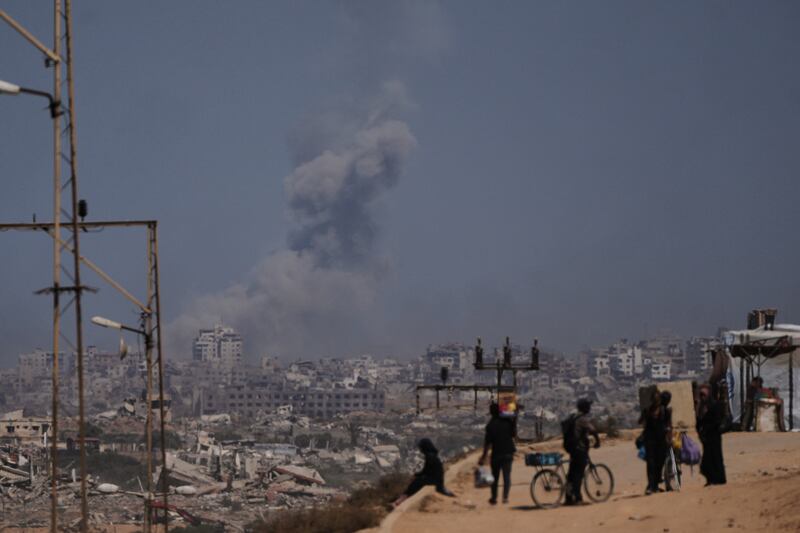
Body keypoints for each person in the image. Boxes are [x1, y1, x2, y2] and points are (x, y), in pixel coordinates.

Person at [393, 438, 454, 507]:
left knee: (416, 483)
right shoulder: (432, 455)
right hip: (438, 479)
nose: (420, 449)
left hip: (435, 479)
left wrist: (416, 475)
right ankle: (401, 499)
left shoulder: (430, 457)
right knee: (416, 483)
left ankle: (399, 501)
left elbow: (426, 471)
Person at [564, 398, 600, 505]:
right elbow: (593, 431)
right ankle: (578, 498)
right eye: (588, 406)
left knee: (571, 474)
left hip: (571, 448)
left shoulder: (573, 417)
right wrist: (597, 441)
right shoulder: (583, 419)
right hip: (580, 449)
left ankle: (568, 498)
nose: (590, 408)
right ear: (585, 408)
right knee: (578, 474)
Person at [478, 402, 516, 505]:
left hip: (497, 454)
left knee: (495, 477)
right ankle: (505, 497)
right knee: (507, 476)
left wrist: (483, 457)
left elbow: (487, 444)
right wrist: (514, 418)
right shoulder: (507, 422)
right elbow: (513, 434)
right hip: (508, 452)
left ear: (491, 412)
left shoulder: (490, 426)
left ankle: (494, 498)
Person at [639, 389, 672, 494]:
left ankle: (655, 485)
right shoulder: (648, 410)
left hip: (661, 441)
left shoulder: (665, 411)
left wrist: (669, 438)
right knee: (651, 464)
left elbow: (669, 425)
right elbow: (640, 421)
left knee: (659, 463)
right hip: (650, 441)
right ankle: (650, 486)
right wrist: (645, 416)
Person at [696, 383, 727, 485]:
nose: (703, 397)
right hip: (706, 437)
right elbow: (699, 422)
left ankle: (718, 479)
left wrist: (707, 429)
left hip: (714, 435)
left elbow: (717, 421)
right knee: (707, 460)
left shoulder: (714, 405)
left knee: (716, 457)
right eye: (701, 395)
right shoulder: (701, 407)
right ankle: (710, 479)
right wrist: (700, 433)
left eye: (704, 395)